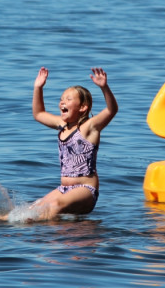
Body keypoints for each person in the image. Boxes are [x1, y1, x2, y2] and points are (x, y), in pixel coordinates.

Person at [29, 66, 118, 220]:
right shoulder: (61, 124)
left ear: (83, 107)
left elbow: (112, 110)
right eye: (61, 99)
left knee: (55, 206)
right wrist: (38, 87)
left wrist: (104, 88)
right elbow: (38, 114)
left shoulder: (89, 127)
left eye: (68, 99)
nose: (62, 102)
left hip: (85, 189)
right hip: (64, 189)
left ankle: (47, 237)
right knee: (31, 210)